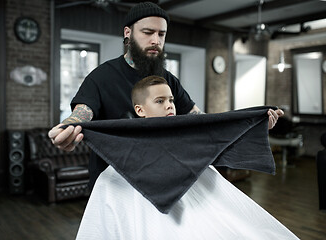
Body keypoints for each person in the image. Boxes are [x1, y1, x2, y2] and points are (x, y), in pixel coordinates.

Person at [48, 1, 284, 192]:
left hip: (161, 181)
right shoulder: (101, 77)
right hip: (115, 186)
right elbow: (82, 113)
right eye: (148, 32)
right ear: (128, 33)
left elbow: (201, 122)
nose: (156, 40)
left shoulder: (169, 80)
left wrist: (251, 124)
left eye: (162, 34)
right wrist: (66, 128)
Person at [74, 75, 298, 240]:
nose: (170, 105)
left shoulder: (188, 132)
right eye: (160, 101)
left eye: (170, 100)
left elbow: (218, 132)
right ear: (140, 110)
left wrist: (258, 124)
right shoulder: (123, 135)